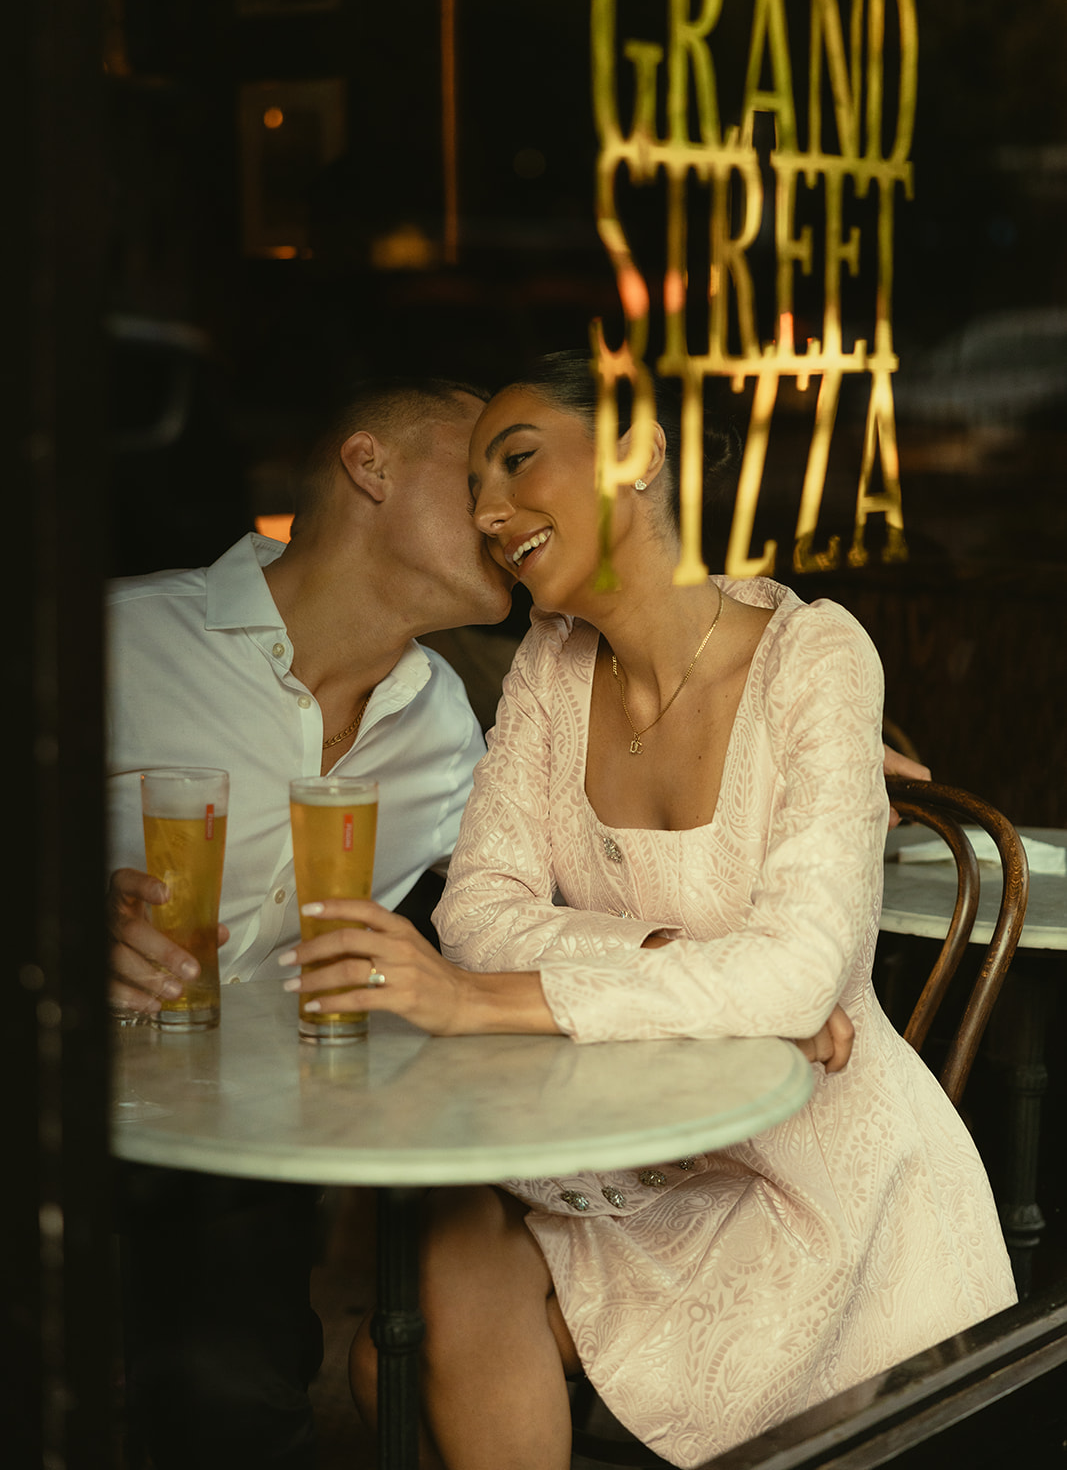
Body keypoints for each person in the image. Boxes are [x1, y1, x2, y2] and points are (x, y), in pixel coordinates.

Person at [283, 352, 1017, 1470]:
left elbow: (796, 981)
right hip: (627, 1150)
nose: (487, 513)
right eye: (476, 483)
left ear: (637, 453)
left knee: (408, 1347)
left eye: (517, 461)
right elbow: (480, 914)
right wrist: (681, 956)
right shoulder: (545, 662)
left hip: (813, 1181)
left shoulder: (814, 657)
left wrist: (485, 1001)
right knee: (441, 1275)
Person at [107, 374, 516, 1470]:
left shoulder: (446, 727)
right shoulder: (121, 640)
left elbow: (581, 868)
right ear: (366, 464)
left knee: (234, 1409)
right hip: (52, 1120)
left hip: (235, 1175)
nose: (504, 508)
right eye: (478, 467)